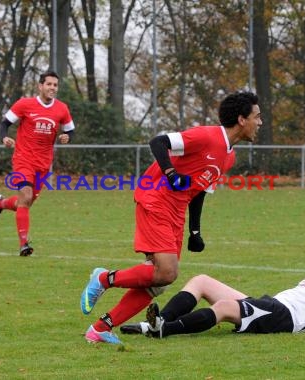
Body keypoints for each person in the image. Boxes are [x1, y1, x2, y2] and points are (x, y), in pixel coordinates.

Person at [80, 91, 263, 344]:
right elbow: (158, 142)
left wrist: (195, 232)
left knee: (158, 282)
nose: (260, 122)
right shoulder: (207, 136)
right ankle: (103, 278)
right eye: (257, 116)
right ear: (242, 120)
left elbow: (200, 192)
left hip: (176, 209)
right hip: (155, 198)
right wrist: (170, 172)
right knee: (166, 272)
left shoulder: (229, 155)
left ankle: (101, 328)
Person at [121, 232, 305, 338]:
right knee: (201, 281)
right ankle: (155, 323)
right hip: (273, 305)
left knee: (226, 307)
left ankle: (165, 330)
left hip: (285, 318)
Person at [0, 71, 75, 256]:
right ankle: (24, 244)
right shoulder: (24, 104)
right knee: (25, 198)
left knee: (25, 202)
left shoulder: (61, 108)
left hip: (43, 164)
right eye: (49, 84)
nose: (52, 88)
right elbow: (4, 124)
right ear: (40, 86)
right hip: (23, 159)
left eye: (55, 85)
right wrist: (4, 138)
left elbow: (70, 129)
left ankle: (1, 204)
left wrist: (67, 136)